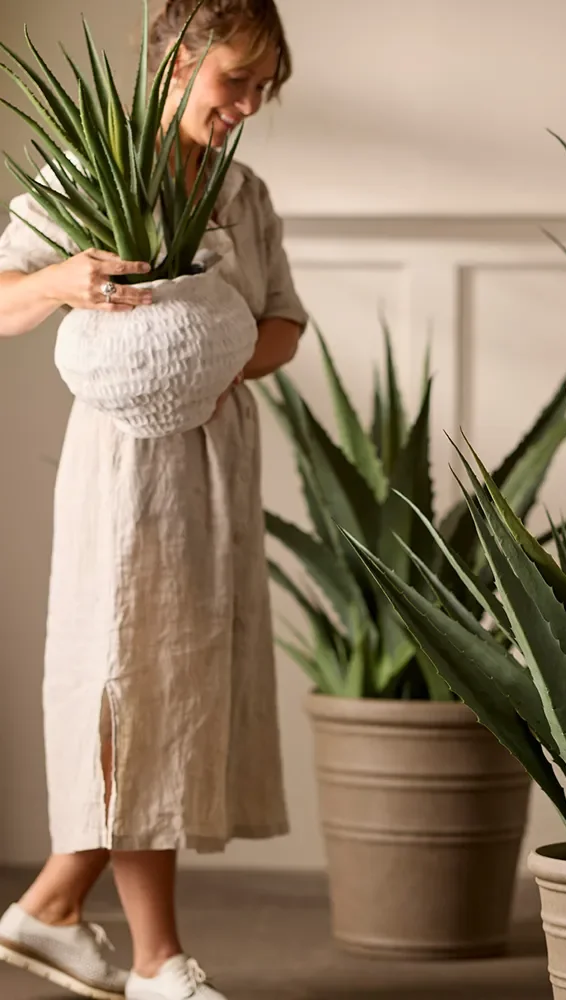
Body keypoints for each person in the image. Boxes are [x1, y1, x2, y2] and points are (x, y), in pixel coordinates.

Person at [0, 2, 308, 998]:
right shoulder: (91, 174)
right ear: (175, 62)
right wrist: (62, 278)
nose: (248, 107)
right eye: (235, 82)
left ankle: (51, 910)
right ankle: (153, 960)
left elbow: (283, 325)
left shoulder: (244, 192)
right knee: (132, 681)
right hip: (127, 466)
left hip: (216, 456)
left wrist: (214, 363)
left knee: (173, 688)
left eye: (265, 89)